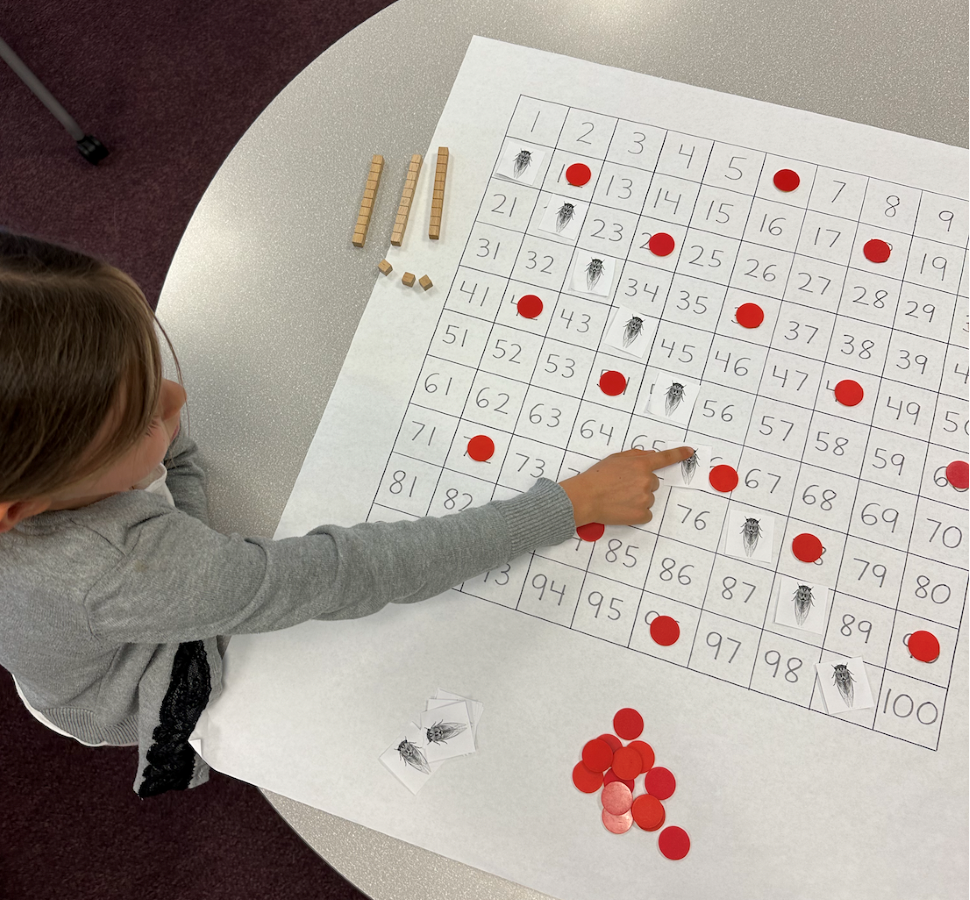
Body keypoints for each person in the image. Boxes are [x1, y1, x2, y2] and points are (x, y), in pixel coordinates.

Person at [0, 232, 691, 797]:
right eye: (144, 419)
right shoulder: (127, 571)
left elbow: (167, 465)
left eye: (153, 370)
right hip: (113, 685)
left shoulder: (46, 494)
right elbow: (348, 572)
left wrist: (151, 446)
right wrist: (569, 505)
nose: (178, 397)